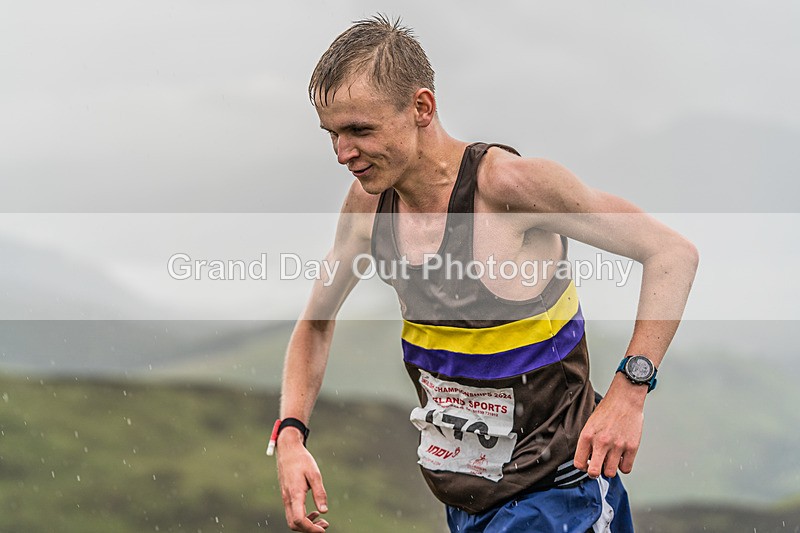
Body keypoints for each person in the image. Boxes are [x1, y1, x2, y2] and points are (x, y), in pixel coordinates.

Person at [274, 14, 698, 533]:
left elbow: (671, 254)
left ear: (421, 107)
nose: (343, 153)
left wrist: (629, 393)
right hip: (467, 503)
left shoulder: (510, 188)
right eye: (332, 134)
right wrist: (291, 435)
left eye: (360, 130)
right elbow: (315, 322)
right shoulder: (368, 208)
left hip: (561, 496)